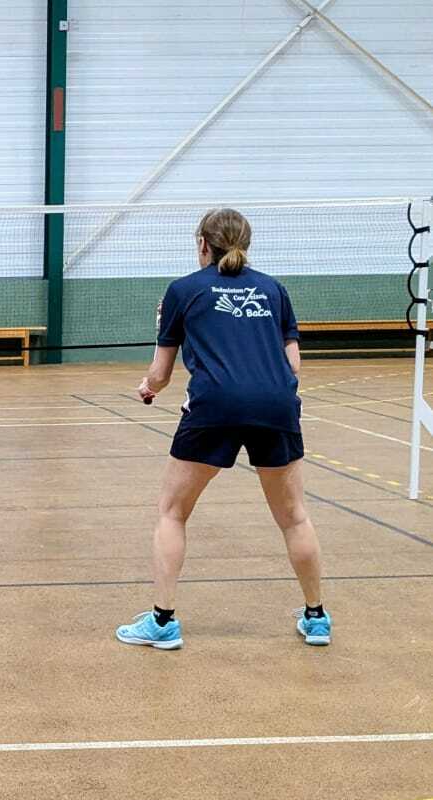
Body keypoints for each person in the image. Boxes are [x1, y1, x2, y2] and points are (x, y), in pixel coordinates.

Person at [117, 207, 328, 651]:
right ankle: (316, 618)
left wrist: (148, 388)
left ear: (202, 244)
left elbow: (160, 374)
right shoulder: (274, 290)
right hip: (276, 404)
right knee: (294, 516)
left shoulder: (182, 290)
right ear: (245, 244)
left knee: (172, 511)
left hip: (214, 405)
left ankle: (163, 622)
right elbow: (293, 364)